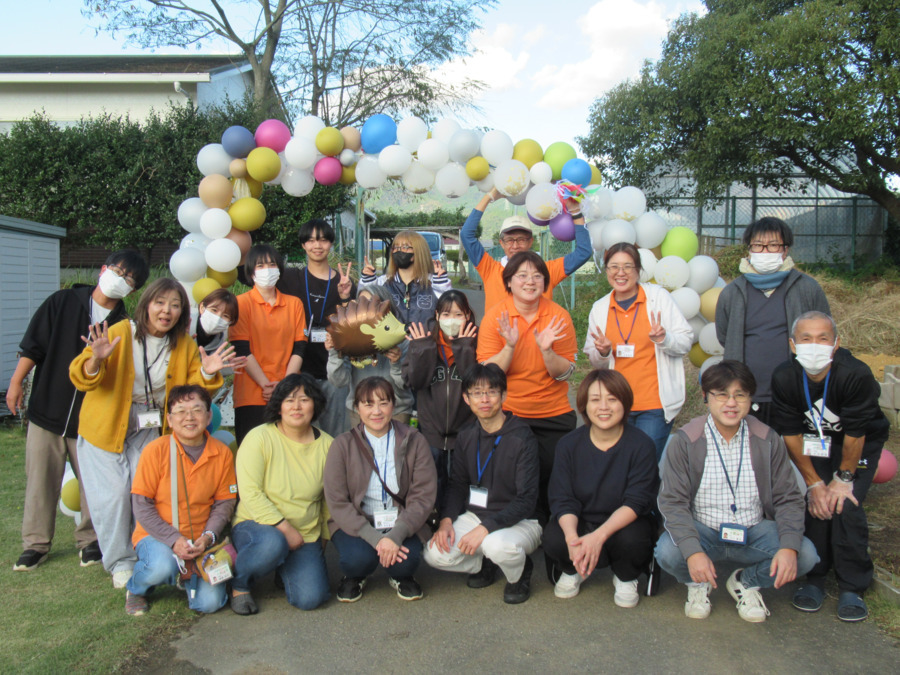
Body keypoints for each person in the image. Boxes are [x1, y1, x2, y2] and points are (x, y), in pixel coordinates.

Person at [69, 278, 240, 589]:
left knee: (146, 493)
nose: (167, 311)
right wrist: (96, 358)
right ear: (146, 304)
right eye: (160, 303)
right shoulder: (119, 332)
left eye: (175, 305)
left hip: (151, 425)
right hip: (106, 425)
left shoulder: (184, 344)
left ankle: (152, 556)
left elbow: (191, 390)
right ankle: (121, 562)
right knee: (112, 498)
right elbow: (82, 375)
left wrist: (207, 371)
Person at [8, 250, 149, 572]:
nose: (122, 281)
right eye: (119, 272)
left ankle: (90, 541)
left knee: (94, 485)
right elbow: (34, 345)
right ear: (103, 270)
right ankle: (35, 544)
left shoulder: (125, 324)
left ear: (133, 290)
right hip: (48, 410)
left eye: (130, 280)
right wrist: (16, 383)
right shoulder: (63, 302)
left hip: (92, 419)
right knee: (40, 480)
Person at [654, 360, 818, 623]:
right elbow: (673, 502)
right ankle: (696, 583)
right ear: (706, 397)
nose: (731, 403)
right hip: (703, 530)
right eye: (721, 395)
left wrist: (788, 547)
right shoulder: (686, 440)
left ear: (750, 399)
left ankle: (746, 581)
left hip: (754, 531)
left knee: (805, 554)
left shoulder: (767, 438)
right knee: (668, 553)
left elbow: (788, 498)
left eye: (739, 395)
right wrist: (694, 553)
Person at [770, 311, 890, 622]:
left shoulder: (855, 374)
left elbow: (856, 435)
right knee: (816, 503)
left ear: (835, 344)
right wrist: (813, 484)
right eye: (806, 338)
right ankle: (815, 577)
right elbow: (791, 435)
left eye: (823, 338)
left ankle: (853, 585)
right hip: (812, 444)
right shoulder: (784, 376)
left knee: (844, 504)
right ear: (793, 345)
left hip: (857, 445)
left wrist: (843, 479)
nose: (814, 345)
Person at [424, 364, 540, 604]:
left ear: (504, 396)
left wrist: (486, 528)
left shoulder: (522, 437)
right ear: (466, 398)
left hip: (520, 519)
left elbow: (527, 500)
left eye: (492, 392)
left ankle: (518, 574)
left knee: (496, 544)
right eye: (477, 393)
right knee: (435, 553)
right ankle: (483, 564)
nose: (484, 399)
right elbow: (457, 484)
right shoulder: (467, 435)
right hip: (477, 515)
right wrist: (446, 520)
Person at [542, 370, 659, 606]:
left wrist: (598, 537)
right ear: (584, 405)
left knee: (634, 538)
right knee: (555, 536)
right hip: (582, 521)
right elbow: (562, 498)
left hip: (623, 524)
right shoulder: (568, 445)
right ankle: (573, 569)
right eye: (595, 400)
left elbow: (636, 501)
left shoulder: (641, 445)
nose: (604, 407)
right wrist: (573, 538)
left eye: (612, 399)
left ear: (625, 403)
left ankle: (626, 576)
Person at [476, 251, 577, 521]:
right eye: (522, 275)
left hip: (552, 413)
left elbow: (565, 373)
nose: (530, 281)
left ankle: (550, 540)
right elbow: (488, 375)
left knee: (550, 482)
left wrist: (548, 352)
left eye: (537, 276)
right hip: (508, 413)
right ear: (508, 282)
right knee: (507, 482)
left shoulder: (559, 317)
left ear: (545, 282)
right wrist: (509, 345)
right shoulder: (496, 317)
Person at [124, 385, 237, 616]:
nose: (189, 417)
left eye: (197, 410)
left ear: (208, 417)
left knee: (210, 604)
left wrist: (208, 537)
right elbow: (141, 505)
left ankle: (186, 575)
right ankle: (137, 588)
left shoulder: (222, 453)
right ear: (169, 419)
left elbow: (224, 503)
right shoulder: (155, 451)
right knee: (161, 566)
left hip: (199, 541)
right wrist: (174, 540)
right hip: (157, 536)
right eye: (181, 411)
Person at [324, 377, 437, 602]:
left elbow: (423, 495)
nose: (376, 411)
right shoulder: (342, 445)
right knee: (358, 559)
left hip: (401, 520)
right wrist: (377, 540)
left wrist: (396, 535)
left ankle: (400, 577)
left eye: (383, 403)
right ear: (357, 408)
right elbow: (337, 501)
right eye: (368, 404)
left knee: (405, 563)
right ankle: (355, 576)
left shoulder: (414, 440)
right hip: (359, 522)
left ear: (393, 405)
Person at [230, 374, 333, 615]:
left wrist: (322, 541)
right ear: (278, 406)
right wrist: (285, 529)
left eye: (304, 399)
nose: (296, 406)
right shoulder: (259, 437)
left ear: (315, 405)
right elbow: (250, 493)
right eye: (289, 400)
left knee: (311, 598)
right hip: (257, 526)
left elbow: (329, 500)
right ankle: (240, 584)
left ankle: (282, 567)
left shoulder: (329, 445)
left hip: (304, 535)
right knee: (272, 543)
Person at [715, 217, 830, 424]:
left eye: (773, 245)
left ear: (785, 250)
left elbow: (825, 333)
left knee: (792, 450)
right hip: (746, 394)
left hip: (795, 392)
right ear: (749, 250)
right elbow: (725, 336)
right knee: (752, 451)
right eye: (758, 246)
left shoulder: (807, 288)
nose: (765, 252)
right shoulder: (732, 292)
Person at [584, 242, 693, 460]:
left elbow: (686, 341)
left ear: (638, 270)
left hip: (653, 405)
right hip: (614, 405)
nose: (620, 273)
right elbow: (596, 361)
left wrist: (664, 338)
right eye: (614, 267)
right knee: (616, 468)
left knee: (644, 468)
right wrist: (603, 352)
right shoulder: (600, 308)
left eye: (628, 267)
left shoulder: (658, 298)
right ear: (606, 270)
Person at [277, 220, 355, 437]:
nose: (317, 245)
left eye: (322, 239)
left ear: (331, 244)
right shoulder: (290, 278)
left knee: (335, 435)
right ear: (303, 245)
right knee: (300, 435)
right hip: (298, 372)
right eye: (310, 240)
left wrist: (346, 297)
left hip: (334, 373)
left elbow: (353, 325)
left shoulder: (345, 282)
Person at [403, 289, 478, 508]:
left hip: (466, 429)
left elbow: (474, 382)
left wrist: (464, 347)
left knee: (461, 480)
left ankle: (457, 520)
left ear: (468, 316)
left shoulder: (476, 342)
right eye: (446, 315)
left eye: (458, 314)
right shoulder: (424, 342)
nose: (452, 320)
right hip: (432, 431)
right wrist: (421, 349)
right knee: (432, 480)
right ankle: (433, 521)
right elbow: (415, 382)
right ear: (436, 316)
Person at [461, 187, 592, 310]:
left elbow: (583, 252)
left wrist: (575, 211)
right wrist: (489, 196)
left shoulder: (546, 271)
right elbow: (466, 235)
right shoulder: (489, 269)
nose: (515, 246)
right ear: (501, 243)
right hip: (496, 334)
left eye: (521, 240)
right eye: (509, 240)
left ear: (531, 242)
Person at [231, 245, 307, 445]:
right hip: (251, 394)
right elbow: (241, 349)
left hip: (289, 394)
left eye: (272, 264)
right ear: (250, 271)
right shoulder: (240, 304)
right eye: (260, 265)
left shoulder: (294, 304)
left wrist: (283, 386)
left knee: (288, 456)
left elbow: (299, 348)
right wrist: (266, 384)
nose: (267, 269)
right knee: (252, 456)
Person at [326, 285, 414, 426]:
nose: (366, 307)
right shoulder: (351, 341)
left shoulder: (401, 339)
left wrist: (396, 364)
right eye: (362, 303)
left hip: (397, 412)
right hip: (360, 412)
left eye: (371, 303)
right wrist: (335, 352)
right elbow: (339, 381)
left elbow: (406, 384)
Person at [360, 230, 452, 328]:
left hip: (426, 342)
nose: (399, 251)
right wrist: (368, 281)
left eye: (405, 247)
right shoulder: (382, 282)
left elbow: (450, 309)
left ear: (418, 251)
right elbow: (364, 309)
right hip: (392, 342)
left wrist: (440, 282)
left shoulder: (433, 282)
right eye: (395, 247)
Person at [192, 288, 239, 354]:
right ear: (202, 308)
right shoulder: (182, 329)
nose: (218, 318)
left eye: (225, 316)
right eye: (214, 310)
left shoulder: (219, 345)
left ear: (230, 322)